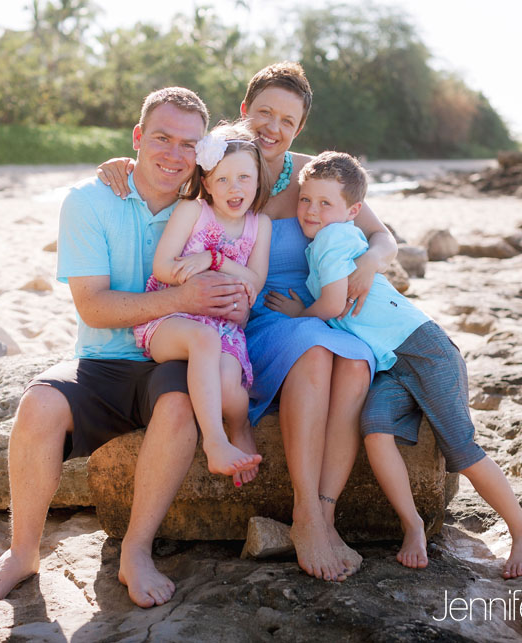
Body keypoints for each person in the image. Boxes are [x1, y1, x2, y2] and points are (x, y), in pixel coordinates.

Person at [98, 62, 399, 583]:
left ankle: (320, 513)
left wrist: (370, 263)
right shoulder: (219, 160)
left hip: (302, 309)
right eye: (264, 112)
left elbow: (382, 236)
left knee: (341, 358)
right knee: (315, 347)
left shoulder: (311, 173)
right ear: (244, 111)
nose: (273, 127)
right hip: (248, 316)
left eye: (287, 119)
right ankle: (305, 510)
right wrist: (120, 164)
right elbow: (166, 160)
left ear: (299, 127)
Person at [0, 87, 253, 608]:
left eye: (188, 144)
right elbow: (93, 307)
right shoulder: (90, 201)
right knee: (37, 404)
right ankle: (22, 553)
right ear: (137, 138)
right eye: (161, 138)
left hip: (170, 356)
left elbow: (266, 166)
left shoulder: (204, 207)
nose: (174, 154)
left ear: (201, 153)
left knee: (180, 402)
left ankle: (135, 551)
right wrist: (184, 295)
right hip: (101, 358)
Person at [266, 151, 522, 578]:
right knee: (376, 430)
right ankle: (412, 526)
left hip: (423, 349)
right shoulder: (326, 240)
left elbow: (334, 304)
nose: (311, 211)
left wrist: (296, 313)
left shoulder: (331, 239)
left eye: (325, 203)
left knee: (461, 449)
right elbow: (338, 301)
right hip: (390, 362)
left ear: (352, 212)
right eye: (306, 200)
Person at [134, 120, 272, 484]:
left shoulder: (261, 225)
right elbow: (163, 268)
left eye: (244, 177)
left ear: (259, 180)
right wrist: (192, 277)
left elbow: (255, 282)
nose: (234, 187)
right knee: (203, 339)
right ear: (207, 182)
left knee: (230, 387)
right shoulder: (193, 211)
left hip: (225, 325)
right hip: (170, 317)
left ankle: (239, 424)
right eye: (223, 179)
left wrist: (213, 261)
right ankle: (216, 443)